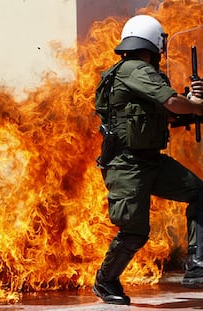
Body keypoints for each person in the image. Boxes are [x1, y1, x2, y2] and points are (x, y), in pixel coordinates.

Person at [93, 14, 203, 305]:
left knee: (199, 192)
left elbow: (168, 112)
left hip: (150, 162)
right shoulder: (135, 70)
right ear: (153, 42)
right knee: (134, 232)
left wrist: (191, 100)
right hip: (127, 166)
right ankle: (105, 280)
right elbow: (171, 102)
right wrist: (195, 106)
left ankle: (197, 265)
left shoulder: (136, 73)